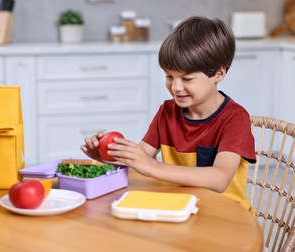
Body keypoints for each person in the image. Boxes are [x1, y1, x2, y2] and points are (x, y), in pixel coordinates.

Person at [81, 16, 256, 212]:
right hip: (179, 209)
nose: (176, 87)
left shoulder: (235, 118)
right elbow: (140, 159)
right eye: (169, 76)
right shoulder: (167, 111)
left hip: (226, 216)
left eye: (187, 78)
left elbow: (220, 179)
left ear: (218, 73)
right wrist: (107, 156)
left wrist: (153, 167)